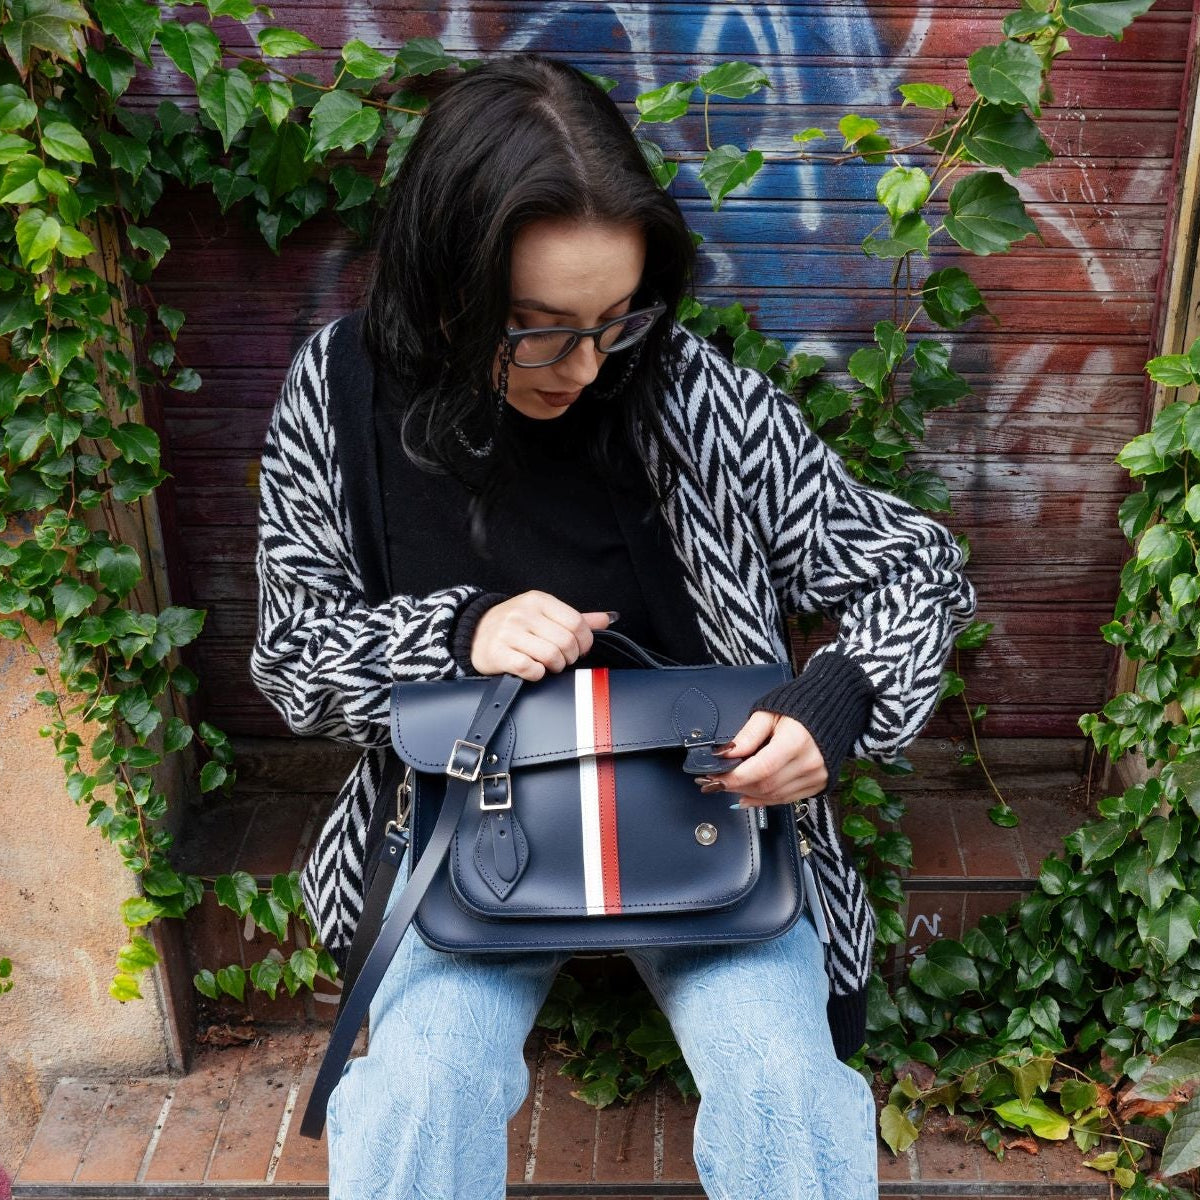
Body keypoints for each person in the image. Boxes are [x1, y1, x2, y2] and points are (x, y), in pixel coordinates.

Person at [250, 53, 976, 1200]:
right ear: (449, 280)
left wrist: (835, 705)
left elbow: (916, 567)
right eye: (538, 329)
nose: (583, 367)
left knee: (787, 1088)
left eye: (613, 322)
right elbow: (293, 657)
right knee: (420, 1087)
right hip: (462, 832)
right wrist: (457, 632)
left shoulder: (692, 395)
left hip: (704, 824)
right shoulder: (341, 395)